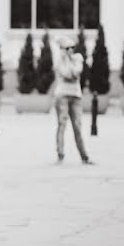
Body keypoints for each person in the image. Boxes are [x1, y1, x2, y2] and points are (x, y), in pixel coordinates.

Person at [54, 36, 94, 165]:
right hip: (62, 96)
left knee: (78, 126)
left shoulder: (78, 58)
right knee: (62, 124)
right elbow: (66, 73)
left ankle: (84, 156)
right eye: (67, 48)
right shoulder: (59, 61)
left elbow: (75, 73)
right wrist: (65, 60)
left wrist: (69, 64)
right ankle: (60, 154)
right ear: (61, 49)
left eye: (72, 47)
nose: (70, 50)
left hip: (76, 96)